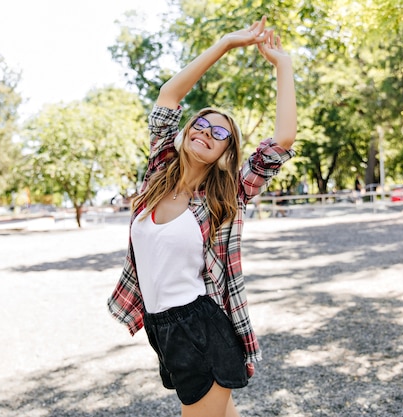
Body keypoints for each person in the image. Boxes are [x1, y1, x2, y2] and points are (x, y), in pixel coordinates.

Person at [107, 16, 296, 417]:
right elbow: (168, 95)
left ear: (227, 152)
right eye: (203, 124)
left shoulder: (225, 196)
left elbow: (282, 140)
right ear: (189, 128)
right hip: (163, 329)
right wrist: (226, 43)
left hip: (202, 327)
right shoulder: (158, 173)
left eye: (220, 133)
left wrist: (283, 65)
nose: (207, 132)